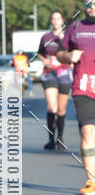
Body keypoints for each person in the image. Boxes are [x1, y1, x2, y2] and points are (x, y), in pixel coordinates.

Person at [56, 0, 95, 195]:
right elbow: (59, 53)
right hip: (83, 87)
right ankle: (91, 180)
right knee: (87, 131)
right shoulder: (76, 27)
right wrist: (68, 56)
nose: (92, 7)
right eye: (89, 4)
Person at [37, 10, 71, 149]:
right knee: (52, 107)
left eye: (58, 18)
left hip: (64, 73)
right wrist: (44, 60)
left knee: (61, 109)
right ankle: (51, 139)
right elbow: (40, 53)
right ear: (51, 21)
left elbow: (74, 52)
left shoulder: (68, 37)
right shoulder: (46, 37)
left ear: (62, 20)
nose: (56, 21)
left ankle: (60, 138)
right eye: (53, 18)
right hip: (49, 73)